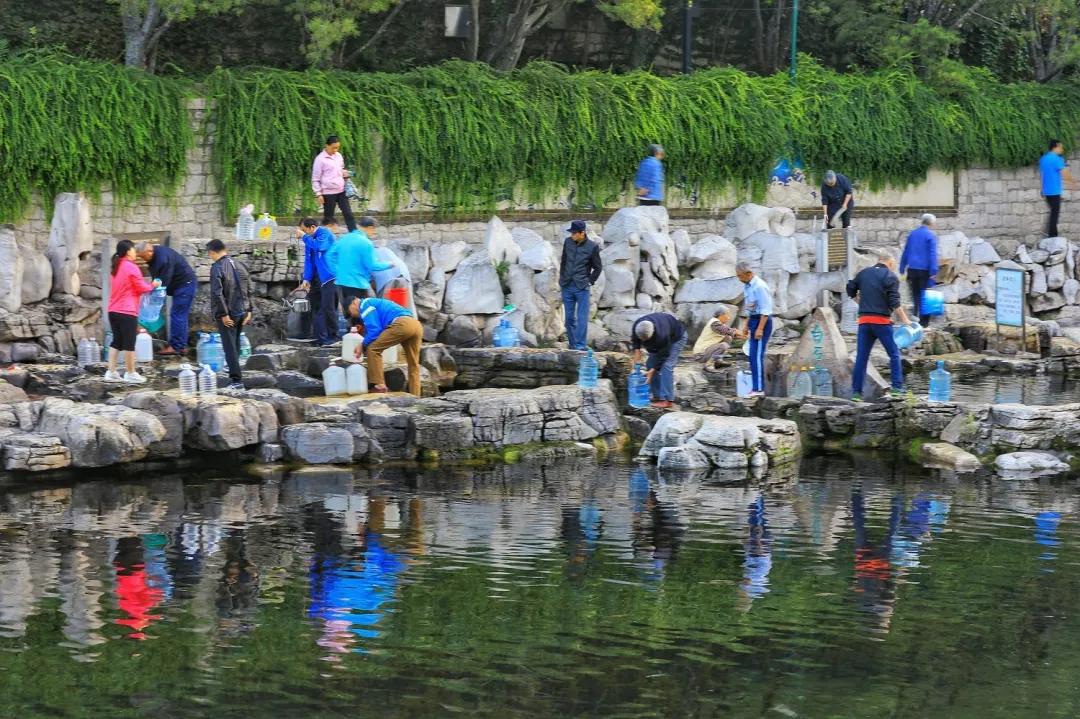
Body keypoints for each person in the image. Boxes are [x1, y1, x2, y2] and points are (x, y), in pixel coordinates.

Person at [847, 249, 912, 401]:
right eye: (894, 265)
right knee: (894, 354)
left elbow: (850, 288)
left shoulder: (864, 273)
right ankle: (897, 388)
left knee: (862, 358)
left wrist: (859, 301)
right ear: (889, 262)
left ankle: (856, 393)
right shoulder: (890, 276)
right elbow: (895, 302)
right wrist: (906, 321)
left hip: (864, 322)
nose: (894, 267)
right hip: (882, 323)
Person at [105, 240, 161, 384]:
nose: (135, 252)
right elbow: (141, 288)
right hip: (126, 311)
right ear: (128, 251)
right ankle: (131, 373)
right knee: (130, 342)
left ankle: (110, 372)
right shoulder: (131, 267)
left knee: (117, 341)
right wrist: (153, 285)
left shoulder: (116, 267)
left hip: (113, 310)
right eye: (133, 249)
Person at [345, 296, 423, 396]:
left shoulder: (365, 305)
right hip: (416, 324)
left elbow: (375, 330)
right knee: (413, 365)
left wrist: (362, 345)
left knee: (373, 349)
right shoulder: (375, 302)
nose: (352, 315)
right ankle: (416, 396)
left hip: (402, 324)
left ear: (354, 303)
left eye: (349, 312)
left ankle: (379, 386)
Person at [135, 242, 197, 357]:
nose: (143, 259)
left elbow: (162, 283)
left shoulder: (162, 259)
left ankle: (176, 346)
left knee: (177, 315)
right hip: (184, 285)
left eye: (143, 256)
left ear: (150, 251)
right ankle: (181, 346)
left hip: (185, 285)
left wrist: (152, 300)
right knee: (180, 315)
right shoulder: (155, 257)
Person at [206, 239, 253, 390]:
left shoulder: (217, 267)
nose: (210, 256)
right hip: (242, 311)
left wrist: (223, 314)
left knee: (229, 346)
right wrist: (249, 309)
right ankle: (234, 369)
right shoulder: (240, 264)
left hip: (229, 312)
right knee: (235, 342)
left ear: (212, 252)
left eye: (210, 254)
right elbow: (248, 288)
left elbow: (217, 293)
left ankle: (236, 380)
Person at [327, 216, 394, 308]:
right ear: (370, 228)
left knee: (348, 313)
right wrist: (390, 264)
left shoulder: (344, 238)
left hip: (341, 282)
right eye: (374, 230)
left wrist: (336, 271)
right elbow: (373, 265)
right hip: (357, 283)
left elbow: (329, 255)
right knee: (359, 314)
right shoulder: (366, 243)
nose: (374, 233)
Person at [559, 219, 603, 351]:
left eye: (574, 233)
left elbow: (598, 268)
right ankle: (573, 346)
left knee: (582, 318)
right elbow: (563, 261)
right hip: (567, 285)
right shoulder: (568, 242)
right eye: (571, 233)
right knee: (569, 319)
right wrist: (562, 278)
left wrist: (589, 281)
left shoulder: (592, 247)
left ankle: (580, 346)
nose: (571, 235)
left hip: (582, 287)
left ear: (582, 233)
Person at [630, 312, 687, 409]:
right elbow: (636, 342)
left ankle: (667, 400)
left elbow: (664, 354)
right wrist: (637, 353)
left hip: (677, 338)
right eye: (642, 340)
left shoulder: (662, 334)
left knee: (666, 366)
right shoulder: (638, 325)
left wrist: (652, 371)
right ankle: (657, 396)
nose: (644, 342)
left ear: (653, 332)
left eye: (647, 340)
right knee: (650, 363)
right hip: (663, 338)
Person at [297, 217, 339, 346]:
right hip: (320, 278)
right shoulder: (310, 240)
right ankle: (320, 338)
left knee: (328, 308)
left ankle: (334, 336)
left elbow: (320, 246)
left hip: (331, 277)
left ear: (312, 228)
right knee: (317, 307)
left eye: (305, 230)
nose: (303, 233)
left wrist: (304, 237)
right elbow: (309, 261)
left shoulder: (324, 233)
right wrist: (306, 278)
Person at [736, 262, 773, 397]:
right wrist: (746, 326)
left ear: (749, 274)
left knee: (757, 355)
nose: (739, 279)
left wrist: (760, 329)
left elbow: (766, 310)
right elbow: (750, 309)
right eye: (737, 276)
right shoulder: (747, 286)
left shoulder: (760, 286)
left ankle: (759, 389)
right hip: (753, 319)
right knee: (752, 355)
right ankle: (755, 387)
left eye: (740, 276)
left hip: (763, 321)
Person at [899, 213, 939, 327]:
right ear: (931, 223)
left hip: (912, 269)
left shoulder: (912, 234)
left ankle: (915, 317)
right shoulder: (930, 236)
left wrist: (902, 267)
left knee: (915, 295)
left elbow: (906, 251)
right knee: (926, 295)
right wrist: (933, 271)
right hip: (925, 270)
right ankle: (924, 322)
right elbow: (932, 254)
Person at [312, 134, 357, 231]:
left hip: (341, 191)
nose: (335, 150)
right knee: (328, 218)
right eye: (333, 148)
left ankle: (354, 234)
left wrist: (345, 173)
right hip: (328, 193)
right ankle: (325, 238)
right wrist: (318, 194)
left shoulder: (339, 156)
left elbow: (340, 169)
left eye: (337, 148)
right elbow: (315, 179)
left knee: (348, 213)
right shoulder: (320, 159)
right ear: (327, 146)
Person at [1039, 139, 1076, 237]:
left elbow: (1042, 175)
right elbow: (1065, 173)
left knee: (1052, 212)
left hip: (1046, 192)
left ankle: (1047, 232)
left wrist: (1042, 189)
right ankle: (1052, 236)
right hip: (1055, 191)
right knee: (1054, 214)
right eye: (1060, 147)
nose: (1062, 149)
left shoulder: (1043, 159)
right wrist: (1073, 185)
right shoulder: (1057, 159)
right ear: (1055, 147)